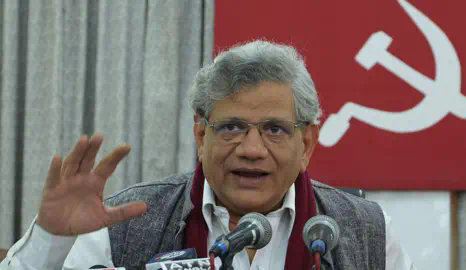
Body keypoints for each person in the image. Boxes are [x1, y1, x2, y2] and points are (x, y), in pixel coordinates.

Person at [1, 40, 415, 270]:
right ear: (201, 134)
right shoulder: (124, 221)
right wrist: (53, 239)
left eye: (274, 129)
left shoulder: (368, 231)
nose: (252, 150)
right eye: (232, 127)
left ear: (306, 143)